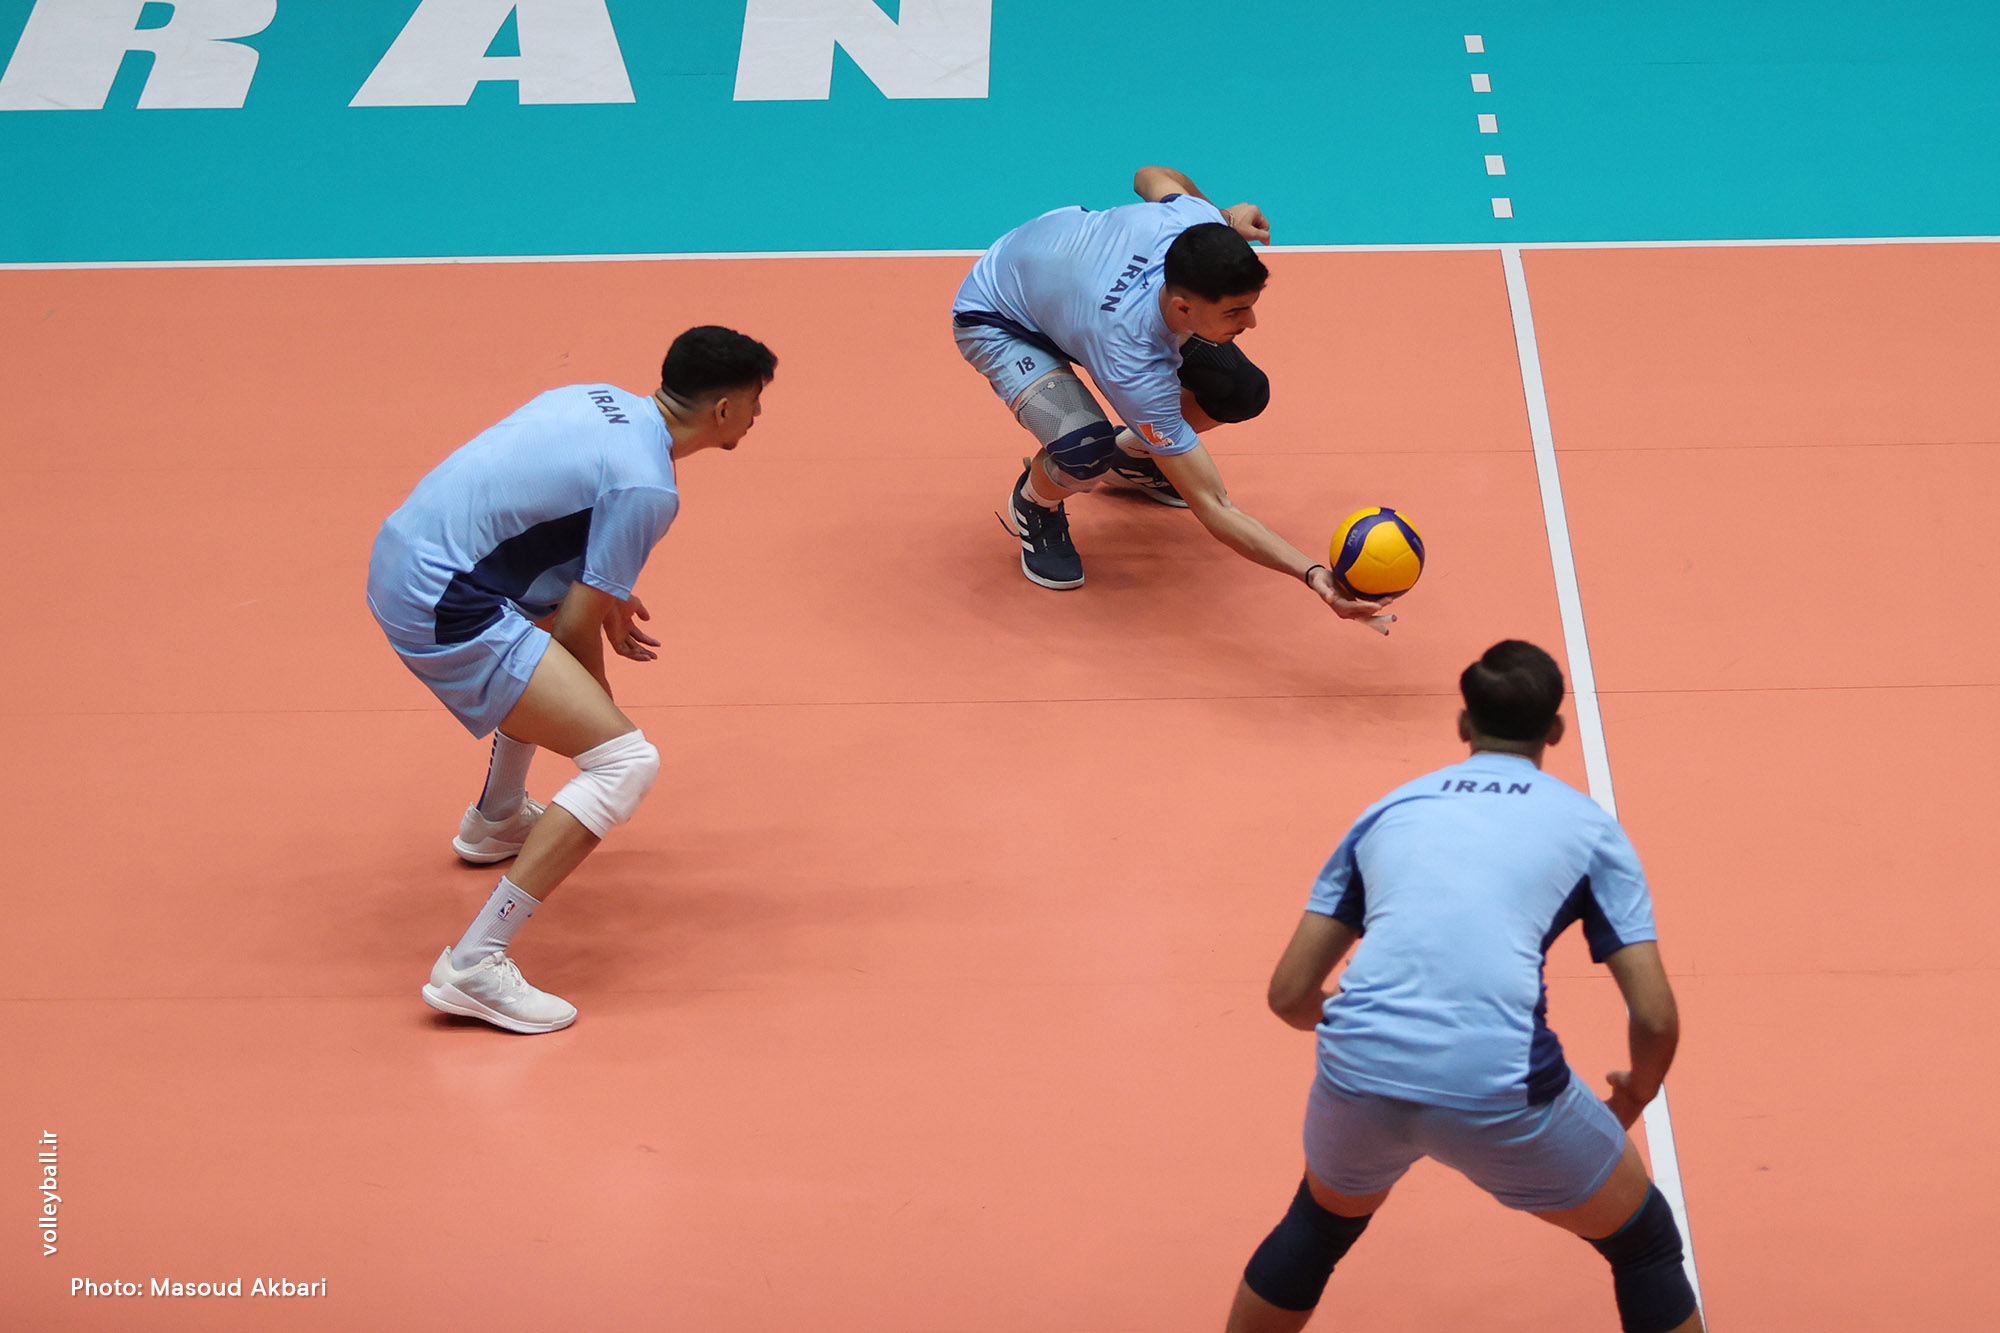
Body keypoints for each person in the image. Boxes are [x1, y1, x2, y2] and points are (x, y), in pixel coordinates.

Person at [1226, 641, 1702, 1333]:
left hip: (1358, 1074)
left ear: (1463, 724)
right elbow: (1655, 1017)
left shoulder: (1388, 812)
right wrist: (1636, 1091)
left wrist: (1376, 1029)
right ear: (1555, 731)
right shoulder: (1590, 830)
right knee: (1644, 1243)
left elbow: (1290, 995)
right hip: (1499, 1084)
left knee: (1319, 1226)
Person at [365, 326, 776, 1034]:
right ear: (723, 410)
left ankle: (496, 820)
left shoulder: (594, 399)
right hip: (442, 602)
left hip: (403, 553)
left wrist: (601, 597)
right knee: (624, 763)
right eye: (755, 400)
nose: (759, 414)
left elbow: (545, 532)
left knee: (547, 617)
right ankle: (474, 965)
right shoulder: (649, 485)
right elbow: (576, 629)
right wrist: (597, 716)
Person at [952, 164, 1393, 631]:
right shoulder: (1132, 363)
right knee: (1085, 449)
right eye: (1236, 311)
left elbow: (1149, 175)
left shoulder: (1192, 221)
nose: (1251, 323)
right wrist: (1313, 574)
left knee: (1239, 390)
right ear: (1183, 306)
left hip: (1066, 278)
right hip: (999, 316)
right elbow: (1215, 505)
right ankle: (1035, 503)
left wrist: (1224, 218)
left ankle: (1134, 460)